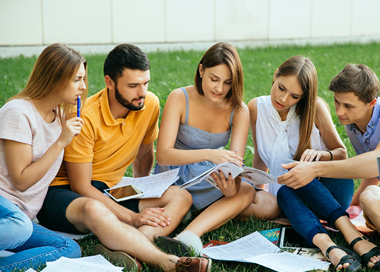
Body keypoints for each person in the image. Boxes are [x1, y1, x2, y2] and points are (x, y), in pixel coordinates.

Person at [36, 43, 209, 272]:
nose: (142, 92)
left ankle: (129, 247)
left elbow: (145, 152)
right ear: (110, 82)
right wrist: (132, 217)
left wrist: (145, 186)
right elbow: (81, 186)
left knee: (181, 196)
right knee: (94, 209)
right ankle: (168, 263)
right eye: (133, 86)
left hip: (111, 189)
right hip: (65, 194)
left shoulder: (149, 104)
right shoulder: (85, 117)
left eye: (145, 83)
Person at [154, 42, 279, 254]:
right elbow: (164, 155)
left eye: (227, 82)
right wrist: (211, 154)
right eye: (214, 79)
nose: (219, 89)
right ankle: (199, 218)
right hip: (176, 174)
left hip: (209, 176)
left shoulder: (238, 110)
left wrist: (231, 187)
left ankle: (188, 233)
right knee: (248, 197)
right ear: (201, 70)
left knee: (265, 202)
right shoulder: (179, 97)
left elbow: (234, 163)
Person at [249, 56, 365, 271]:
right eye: (281, 87)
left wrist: (319, 157)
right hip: (290, 194)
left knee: (294, 179)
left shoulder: (315, 108)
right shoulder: (256, 107)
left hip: (330, 191)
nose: (283, 98)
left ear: (304, 97)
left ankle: (350, 233)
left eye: (294, 96)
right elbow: (259, 155)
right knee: (285, 191)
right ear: (275, 76)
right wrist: (258, 190)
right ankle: (330, 247)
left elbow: (341, 153)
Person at [278, 63, 380, 270]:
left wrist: (315, 169)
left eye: (348, 106)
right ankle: (333, 246)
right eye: (337, 102)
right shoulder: (353, 124)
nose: (340, 112)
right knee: (285, 191)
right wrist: (351, 205)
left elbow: (376, 162)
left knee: (368, 196)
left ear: (372, 103)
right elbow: (371, 173)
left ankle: (352, 237)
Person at [0, 43, 83, 272]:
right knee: (20, 228)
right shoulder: (18, 112)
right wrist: (60, 143)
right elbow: (21, 181)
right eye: (77, 79)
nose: (83, 86)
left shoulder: (60, 119)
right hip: (5, 205)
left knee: (68, 247)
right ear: (56, 78)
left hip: (22, 218)